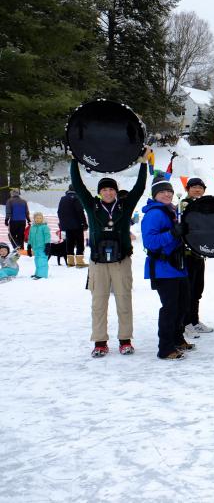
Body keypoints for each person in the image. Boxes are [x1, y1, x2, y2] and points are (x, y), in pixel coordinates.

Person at [70, 149, 148, 358]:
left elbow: (140, 188)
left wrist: (143, 162)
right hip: (98, 261)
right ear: (99, 192)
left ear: (116, 191)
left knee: (124, 300)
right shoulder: (92, 206)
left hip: (121, 260)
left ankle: (125, 340)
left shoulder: (124, 205)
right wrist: (73, 161)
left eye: (111, 190)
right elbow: (78, 186)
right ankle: (100, 342)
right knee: (99, 302)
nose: (108, 193)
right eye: (104, 190)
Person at [142, 175, 192, 360]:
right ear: (155, 194)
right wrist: (172, 233)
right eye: (162, 192)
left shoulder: (169, 211)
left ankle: (177, 339)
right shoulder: (154, 213)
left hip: (177, 267)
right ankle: (165, 348)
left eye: (169, 191)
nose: (167, 194)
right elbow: (150, 241)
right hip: (163, 268)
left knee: (182, 305)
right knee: (170, 308)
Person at [180, 178, 213, 337]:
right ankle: (186, 323)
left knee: (197, 290)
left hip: (199, 254)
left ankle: (194, 320)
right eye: (194, 187)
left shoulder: (205, 205)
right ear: (188, 189)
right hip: (187, 254)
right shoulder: (185, 204)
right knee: (188, 290)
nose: (198, 190)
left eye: (200, 187)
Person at [57, 184, 88, 268]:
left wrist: (62, 224)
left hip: (67, 226)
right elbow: (80, 211)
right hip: (77, 225)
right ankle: (79, 261)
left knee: (69, 243)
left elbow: (59, 212)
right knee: (79, 243)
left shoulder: (63, 199)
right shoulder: (77, 198)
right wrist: (84, 223)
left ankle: (70, 262)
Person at [27, 212, 50, 279]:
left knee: (42, 260)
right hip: (35, 247)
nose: (38, 219)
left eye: (40, 218)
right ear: (34, 219)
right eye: (37, 218)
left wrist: (47, 245)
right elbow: (30, 237)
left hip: (43, 247)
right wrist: (29, 246)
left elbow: (47, 236)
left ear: (42, 219)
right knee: (37, 260)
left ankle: (42, 274)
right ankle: (38, 273)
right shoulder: (32, 227)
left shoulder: (44, 227)